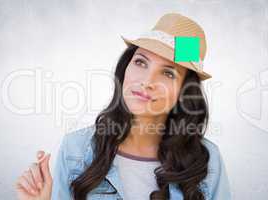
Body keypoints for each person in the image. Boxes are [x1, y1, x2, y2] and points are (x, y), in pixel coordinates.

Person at [14, 13, 232, 200]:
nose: (147, 80)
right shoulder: (76, 150)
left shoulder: (207, 160)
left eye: (168, 72)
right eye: (141, 62)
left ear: (184, 91)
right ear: (125, 68)